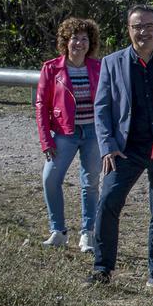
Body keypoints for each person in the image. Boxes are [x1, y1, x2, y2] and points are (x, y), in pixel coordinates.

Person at [88, 5, 153, 292]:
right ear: (129, 29)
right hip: (125, 150)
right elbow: (101, 109)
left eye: (149, 25)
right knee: (108, 203)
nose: (143, 31)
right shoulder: (112, 63)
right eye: (137, 26)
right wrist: (107, 146)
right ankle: (102, 268)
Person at [36, 17, 102, 252]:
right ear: (66, 40)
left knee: (90, 183)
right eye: (75, 38)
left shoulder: (98, 67)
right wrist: (46, 139)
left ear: (90, 42)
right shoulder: (52, 68)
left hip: (93, 132)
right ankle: (58, 231)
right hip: (64, 133)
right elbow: (41, 105)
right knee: (50, 179)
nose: (79, 43)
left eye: (84, 39)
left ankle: (88, 234)